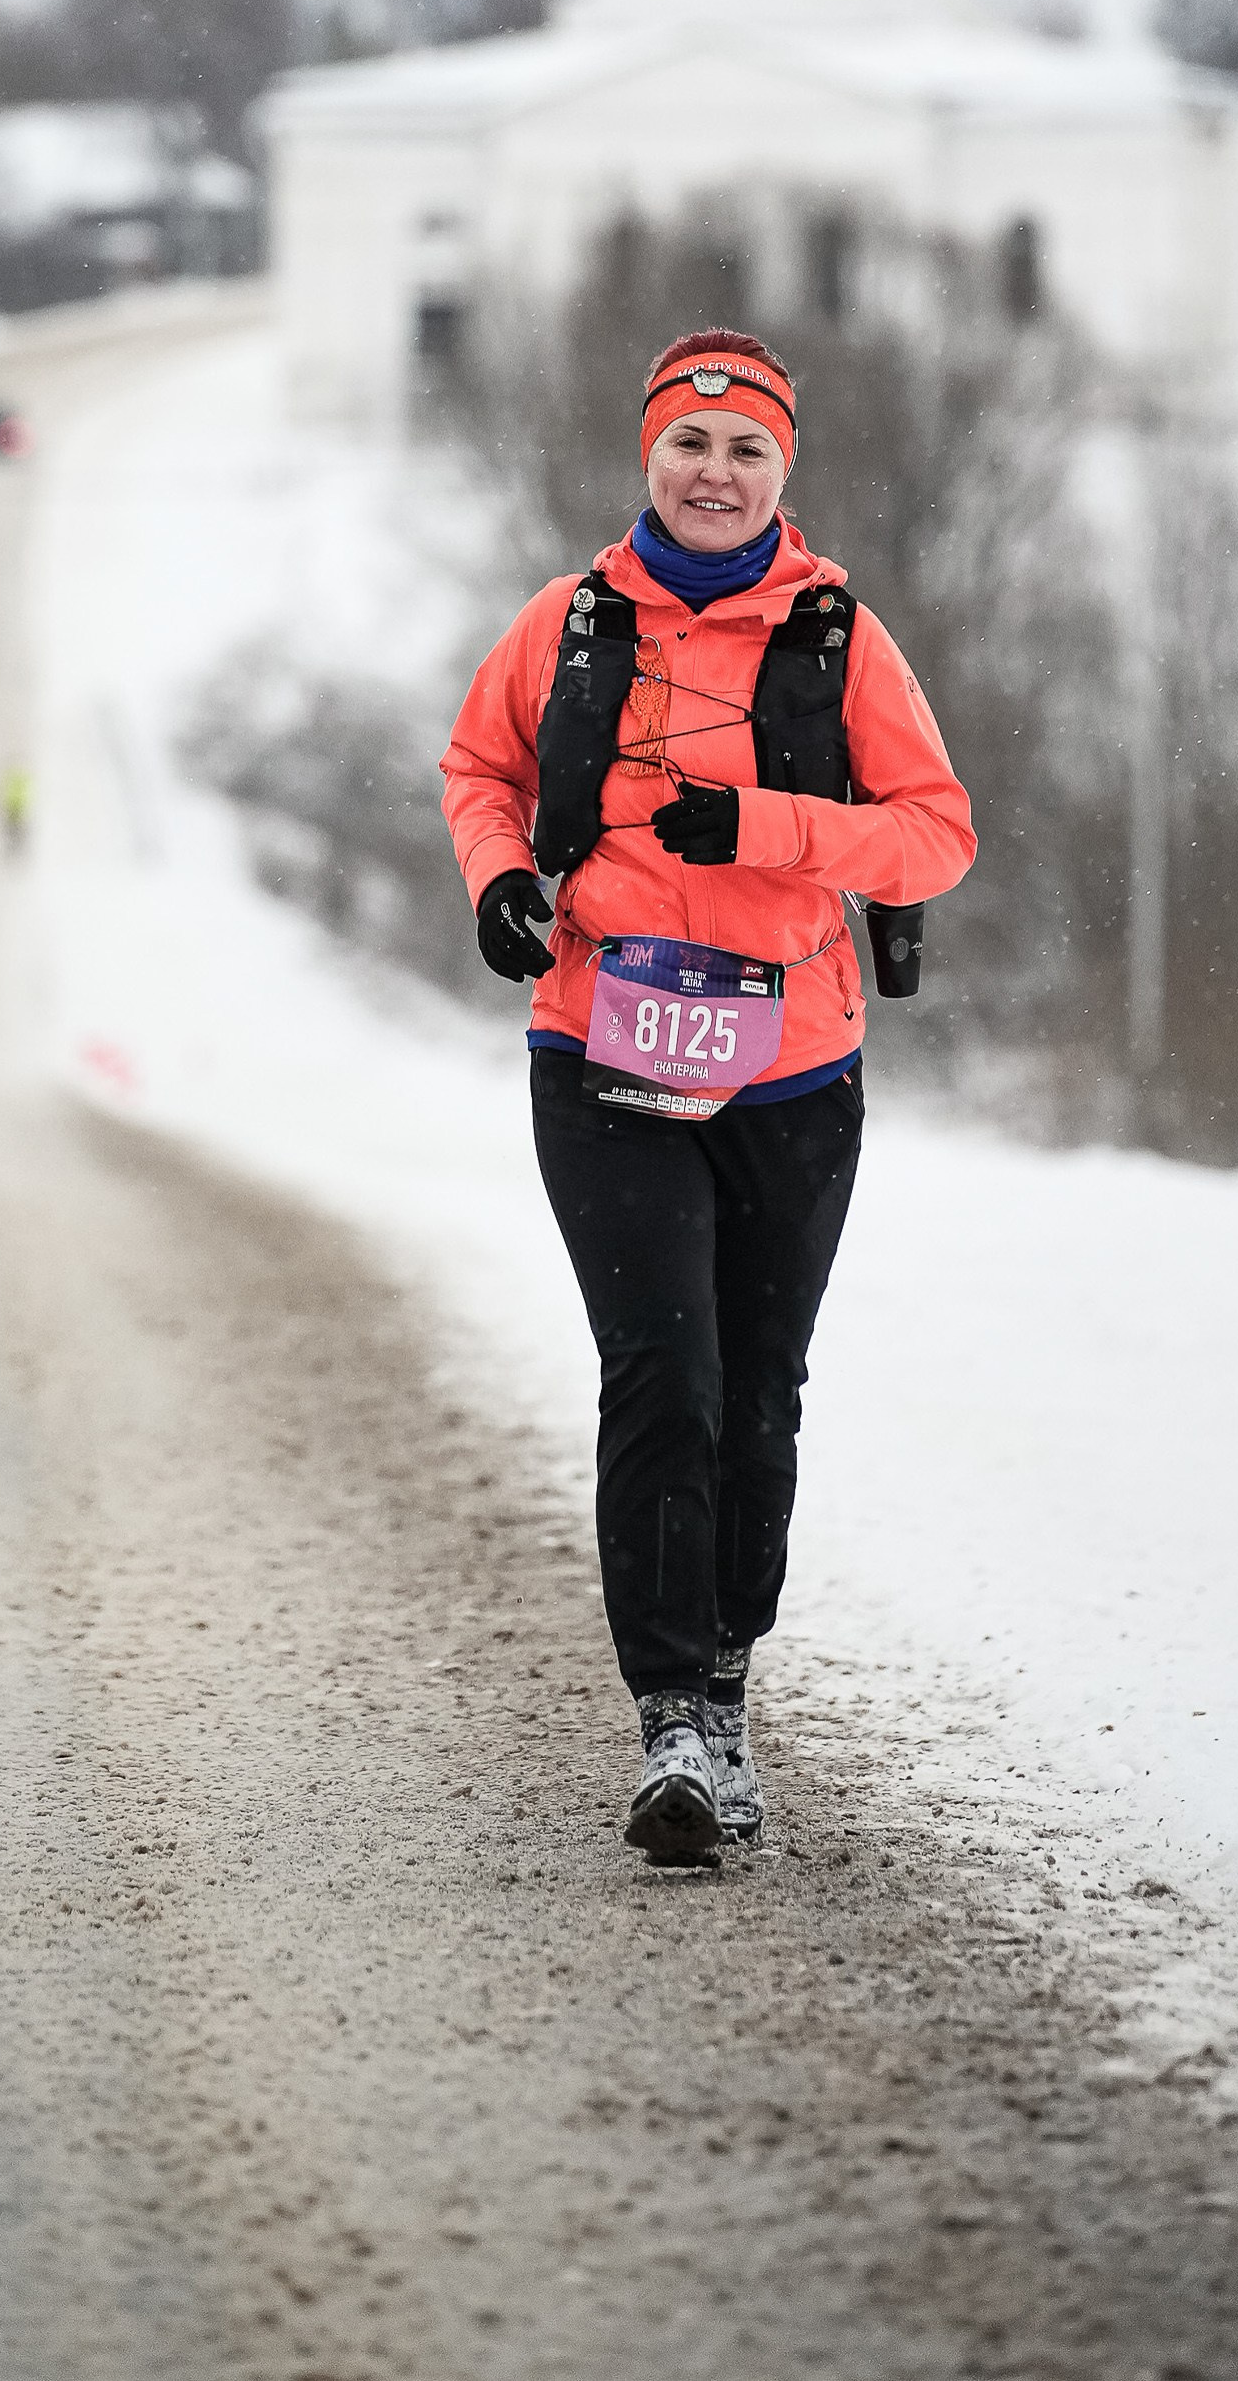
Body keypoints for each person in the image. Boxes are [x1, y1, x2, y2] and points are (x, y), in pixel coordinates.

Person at [441, 328, 975, 1862]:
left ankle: (730, 1672)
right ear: (649, 457)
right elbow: (478, 765)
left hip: (792, 1075)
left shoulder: (836, 638)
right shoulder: (571, 621)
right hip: (601, 1051)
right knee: (661, 1374)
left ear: (781, 471)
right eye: (692, 445)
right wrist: (495, 883)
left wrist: (759, 825)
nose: (717, 473)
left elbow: (934, 837)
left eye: (747, 452)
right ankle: (674, 1720)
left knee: (756, 1393)